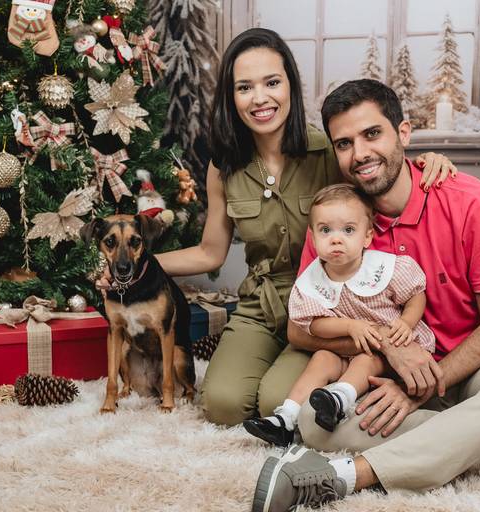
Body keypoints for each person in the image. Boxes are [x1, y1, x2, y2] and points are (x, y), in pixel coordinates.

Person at [251, 79, 480, 512]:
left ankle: (344, 476)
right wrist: (393, 350)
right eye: (344, 143)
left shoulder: (469, 200)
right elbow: (301, 332)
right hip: (394, 372)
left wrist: (424, 390)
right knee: (316, 422)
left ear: (403, 134)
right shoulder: (340, 222)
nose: (360, 154)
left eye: (373, 134)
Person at [97, 29, 456, 426]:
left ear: (291, 86)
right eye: (244, 87)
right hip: (260, 307)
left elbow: (375, 172)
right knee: (222, 405)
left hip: (324, 306)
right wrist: (135, 264)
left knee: (276, 404)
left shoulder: (327, 152)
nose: (260, 98)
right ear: (231, 98)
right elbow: (210, 253)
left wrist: (424, 160)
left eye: (272, 82)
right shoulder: (225, 166)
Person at [243, 183, 435, 447]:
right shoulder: (312, 280)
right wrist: (350, 326)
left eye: (348, 230)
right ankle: (285, 418)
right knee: (321, 357)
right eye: (325, 230)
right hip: (345, 348)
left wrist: (406, 322)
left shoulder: (381, 267)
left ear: (367, 237)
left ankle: (339, 400)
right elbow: (315, 325)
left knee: (365, 360)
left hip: (386, 351)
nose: (336, 238)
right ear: (312, 237)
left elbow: (415, 294)